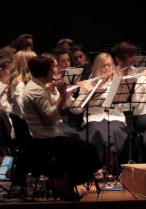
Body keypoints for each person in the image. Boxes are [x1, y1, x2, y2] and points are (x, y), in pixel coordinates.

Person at [21, 55, 101, 200]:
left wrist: (54, 92)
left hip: (47, 135)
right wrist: (63, 94)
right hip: (45, 140)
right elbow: (51, 116)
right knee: (88, 150)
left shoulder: (37, 86)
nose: (54, 72)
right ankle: (62, 182)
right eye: (52, 69)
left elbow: (52, 109)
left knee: (83, 147)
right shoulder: (36, 91)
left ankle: (62, 180)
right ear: (44, 72)